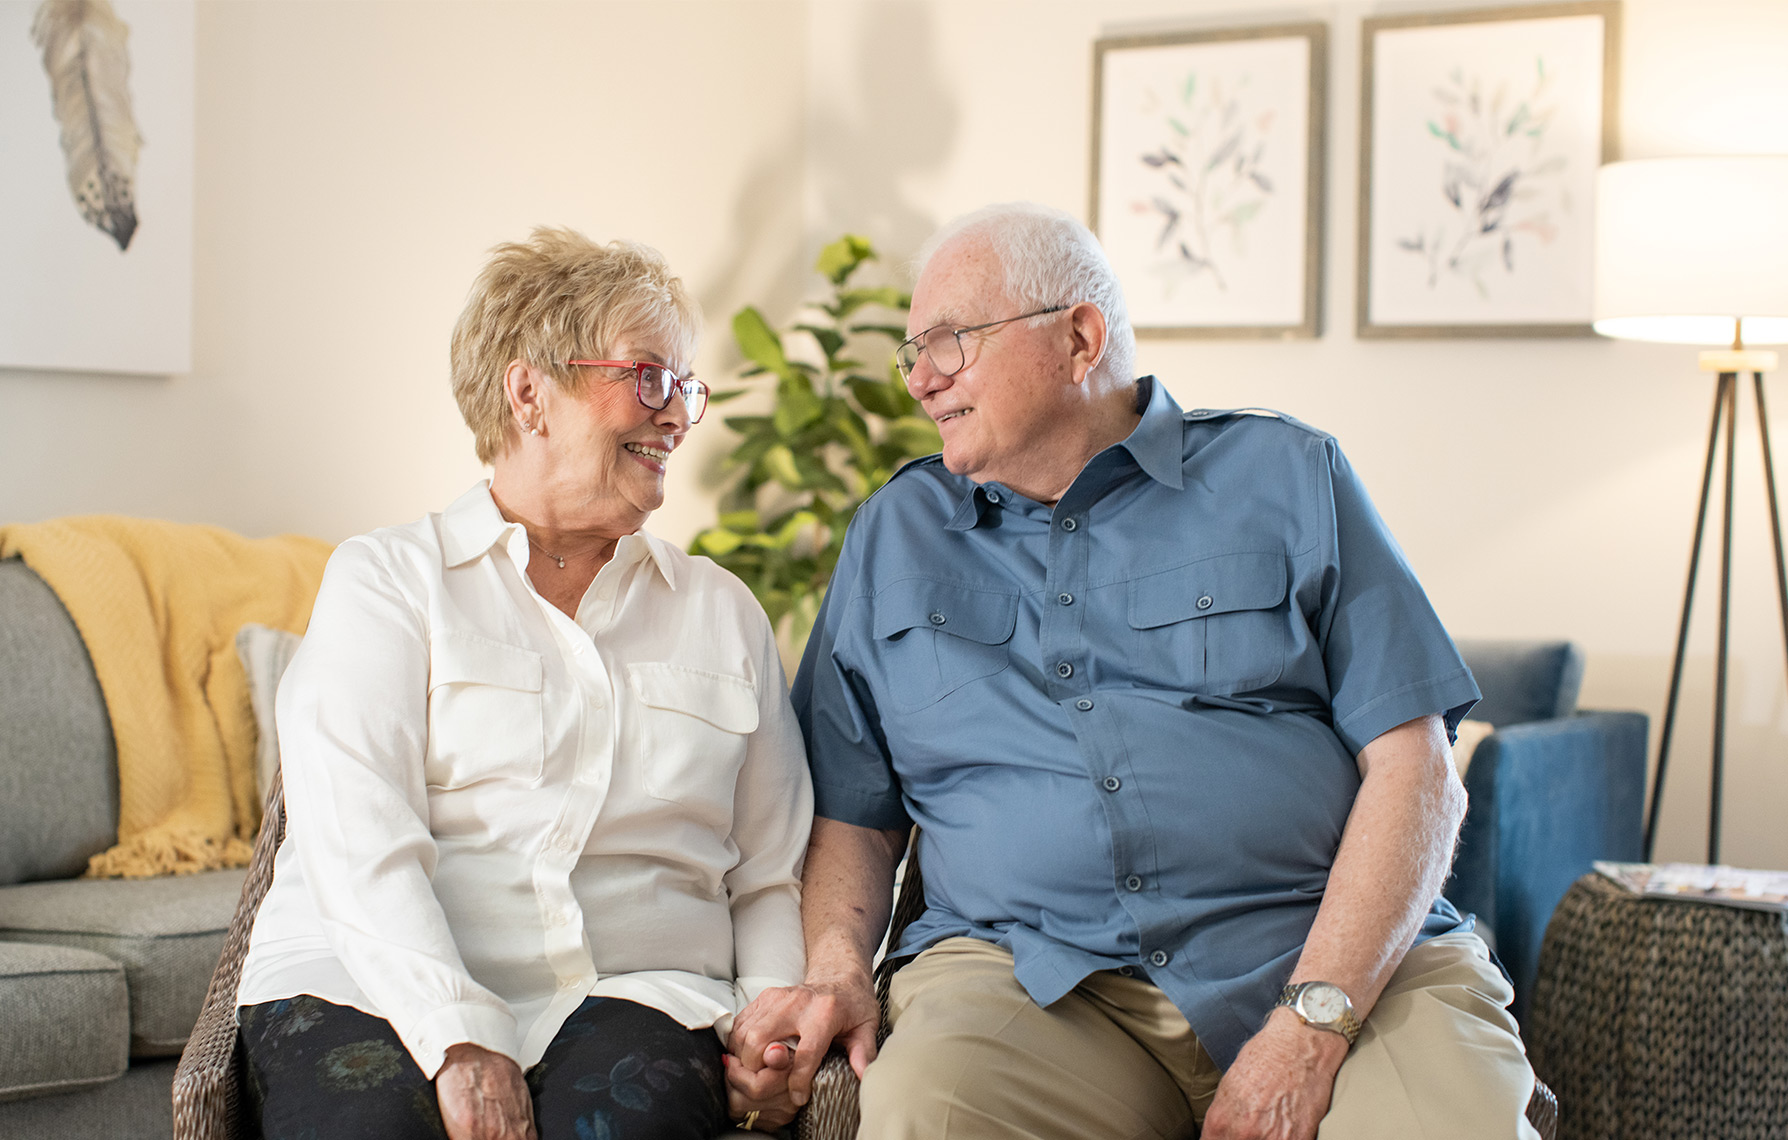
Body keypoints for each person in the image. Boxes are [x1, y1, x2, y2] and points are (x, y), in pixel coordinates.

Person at [729, 202, 1541, 1140]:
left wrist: (1315, 1022)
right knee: (928, 1113)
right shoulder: (893, 535)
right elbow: (853, 817)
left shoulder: (1287, 476)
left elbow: (1417, 771)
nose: (918, 380)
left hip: (1335, 964)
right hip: (1033, 982)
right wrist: (836, 969)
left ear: (1079, 338)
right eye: (912, 351)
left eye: (950, 342)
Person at [236, 228, 810, 1140]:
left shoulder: (722, 611)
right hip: (367, 982)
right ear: (529, 391)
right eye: (648, 377)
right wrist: (457, 1036)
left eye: (685, 388)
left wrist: (775, 1028)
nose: (676, 416)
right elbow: (358, 837)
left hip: (639, 992)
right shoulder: (388, 581)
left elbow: (772, 872)